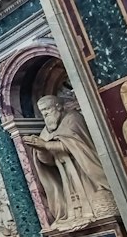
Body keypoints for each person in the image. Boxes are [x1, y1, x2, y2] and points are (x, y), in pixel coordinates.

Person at [25, 94, 117, 228]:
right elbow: (48, 162)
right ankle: (74, 217)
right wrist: (40, 149)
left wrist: (46, 145)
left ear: (58, 106)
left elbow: (76, 145)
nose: (45, 113)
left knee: (92, 201)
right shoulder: (46, 130)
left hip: (83, 169)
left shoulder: (73, 118)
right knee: (72, 204)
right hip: (65, 172)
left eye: (47, 109)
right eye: (42, 111)